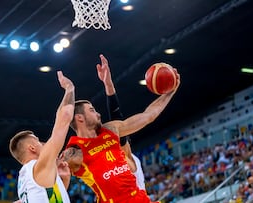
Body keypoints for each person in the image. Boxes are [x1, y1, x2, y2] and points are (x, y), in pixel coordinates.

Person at [62, 55, 180, 203]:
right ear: (80, 118)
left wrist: (171, 92)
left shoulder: (111, 130)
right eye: (92, 110)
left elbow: (148, 116)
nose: (98, 114)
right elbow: (51, 176)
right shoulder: (75, 152)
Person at [9, 71, 74, 203]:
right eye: (38, 141)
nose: (43, 143)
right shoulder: (35, 167)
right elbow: (64, 118)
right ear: (32, 148)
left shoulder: (24, 179)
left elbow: (48, 199)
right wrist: (70, 88)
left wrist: (64, 180)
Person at [96, 54, 146, 190]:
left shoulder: (125, 157)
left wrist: (108, 85)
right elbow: (117, 118)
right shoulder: (117, 158)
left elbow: (117, 118)